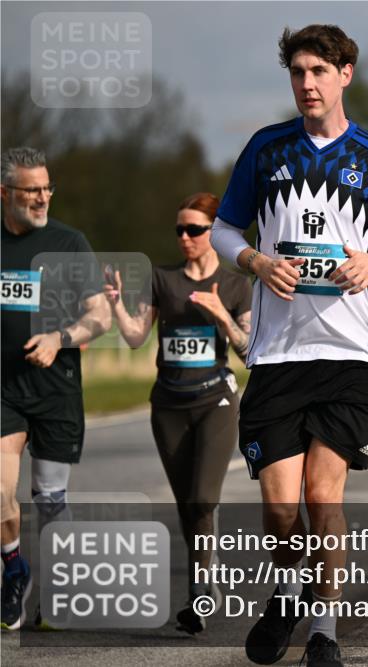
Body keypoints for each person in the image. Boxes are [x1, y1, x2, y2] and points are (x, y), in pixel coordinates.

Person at [209, 25, 368, 667]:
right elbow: (223, 231)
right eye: (298, 72)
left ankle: (325, 631)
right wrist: (255, 261)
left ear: (345, 74)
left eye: (319, 71)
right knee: (280, 508)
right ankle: (288, 593)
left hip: (351, 356)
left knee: (324, 496)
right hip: (278, 355)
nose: (307, 83)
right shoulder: (266, 148)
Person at [103, 192, 252, 634]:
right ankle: (207, 572)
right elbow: (136, 337)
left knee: (203, 498)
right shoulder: (162, 278)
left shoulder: (236, 285)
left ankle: (199, 595)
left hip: (215, 401)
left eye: (194, 230)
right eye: (179, 230)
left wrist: (222, 315)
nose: (185, 237)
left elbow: (247, 351)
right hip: (168, 404)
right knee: (188, 503)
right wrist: (116, 304)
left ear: (214, 233)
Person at [1, 147, 111, 630]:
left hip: (55, 388)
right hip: (3, 388)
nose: (43, 197)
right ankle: (14, 571)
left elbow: (100, 316)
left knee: (48, 498)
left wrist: (58, 338)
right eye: (32, 190)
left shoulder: (69, 243)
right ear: (5, 193)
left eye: (47, 188)